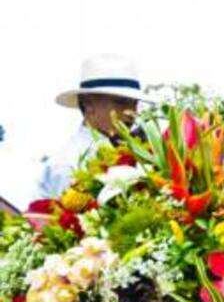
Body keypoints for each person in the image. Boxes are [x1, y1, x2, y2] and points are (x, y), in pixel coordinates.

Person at [38, 54, 155, 199]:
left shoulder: (133, 154)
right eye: (122, 101)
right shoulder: (68, 163)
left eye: (135, 103)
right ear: (88, 104)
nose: (132, 112)